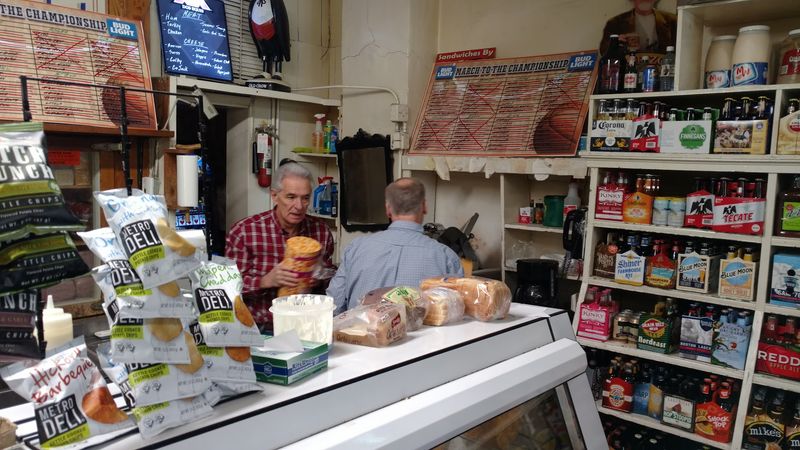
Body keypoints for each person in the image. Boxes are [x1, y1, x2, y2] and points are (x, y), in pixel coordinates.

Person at [327, 177, 464, 313]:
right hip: (423, 334)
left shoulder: (355, 248)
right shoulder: (446, 257)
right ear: (424, 206)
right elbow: (457, 313)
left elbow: (333, 306)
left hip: (360, 333)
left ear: (388, 208)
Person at [225, 161, 335, 328]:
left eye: (305, 198)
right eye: (291, 197)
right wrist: (265, 281)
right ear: (274, 195)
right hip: (258, 328)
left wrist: (318, 277)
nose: (299, 206)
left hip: (305, 324)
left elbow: (330, 283)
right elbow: (226, 289)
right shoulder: (244, 232)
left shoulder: (321, 232)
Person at [600, 0, 677, 54]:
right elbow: (604, 52)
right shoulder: (615, 23)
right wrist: (615, 43)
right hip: (628, 73)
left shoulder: (673, 21)